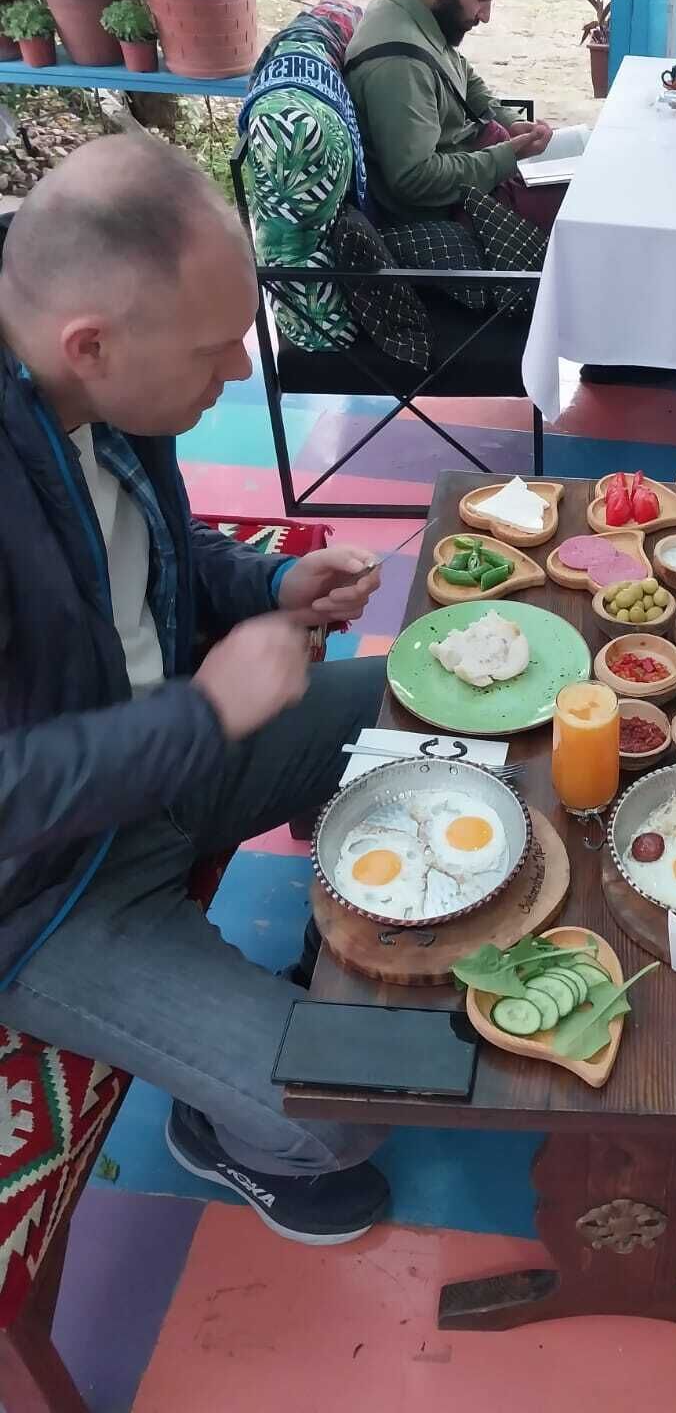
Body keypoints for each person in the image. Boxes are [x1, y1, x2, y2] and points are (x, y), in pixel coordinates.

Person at [0, 136, 395, 1245]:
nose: (238, 374)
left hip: (166, 761)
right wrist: (210, 710)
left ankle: (342, 926)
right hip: (47, 885)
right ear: (92, 343)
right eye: (217, 350)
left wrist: (268, 579)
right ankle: (224, 1131)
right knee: (348, 1113)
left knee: (412, 707)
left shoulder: (92, 372)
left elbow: (147, 547)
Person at [345, 0, 554, 225]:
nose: (485, 15)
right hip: (451, 208)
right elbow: (414, 178)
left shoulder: (413, 12)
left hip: (477, 166)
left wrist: (509, 121)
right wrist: (507, 157)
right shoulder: (400, 64)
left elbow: (462, 76)